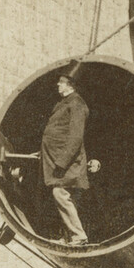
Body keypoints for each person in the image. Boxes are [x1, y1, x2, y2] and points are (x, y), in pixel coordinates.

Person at [41, 60, 90, 246]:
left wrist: (62, 162)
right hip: (58, 161)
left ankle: (79, 236)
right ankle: (69, 235)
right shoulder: (66, 102)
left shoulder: (76, 104)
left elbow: (76, 137)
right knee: (64, 195)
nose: (58, 84)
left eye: (61, 82)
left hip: (68, 162)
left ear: (71, 85)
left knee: (60, 193)